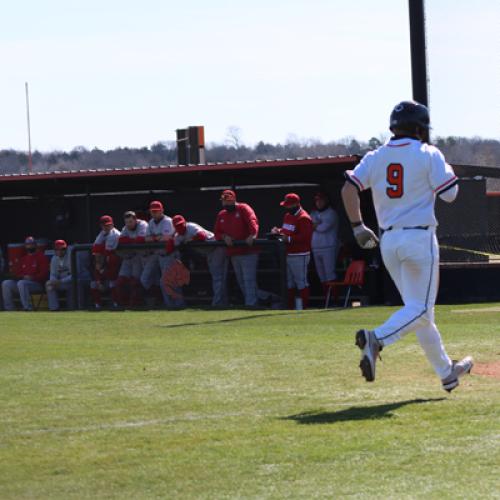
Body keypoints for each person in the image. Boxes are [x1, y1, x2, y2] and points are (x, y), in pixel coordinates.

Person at [341, 100, 473, 392]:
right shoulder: (428, 153)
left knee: (418, 313)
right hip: (419, 238)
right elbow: (451, 194)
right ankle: (376, 339)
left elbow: (348, 188)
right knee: (421, 311)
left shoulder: (375, 156)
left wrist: (357, 226)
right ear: (420, 128)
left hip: (388, 240)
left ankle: (447, 373)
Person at [170, 214, 228, 306]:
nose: (180, 227)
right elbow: (170, 247)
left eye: (181, 224)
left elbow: (202, 236)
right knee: (218, 278)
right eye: (177, 226)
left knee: (218, 277)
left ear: (185, 223)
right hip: (208, 253)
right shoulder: (177, 236)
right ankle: (223, 303)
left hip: (216, 247)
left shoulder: (191, 227)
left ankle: (218, 303)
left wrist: (190, 240)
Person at [214, 190, 259, 307]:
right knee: (242, 282)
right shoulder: (221, 214)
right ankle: (262, 300)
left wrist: (253, 234)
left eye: (228, 200)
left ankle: (251, 305)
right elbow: (217, 232)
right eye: (224, 201)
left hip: (248, 251)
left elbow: (253, 221)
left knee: (249, 281)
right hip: (234, 252)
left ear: (234, 199)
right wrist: (224, 236)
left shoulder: (243, 208)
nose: (226, 203)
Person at [271, 193, 313, 309]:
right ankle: (290, 307)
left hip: (300, 254)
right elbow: (286, 230)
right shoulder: (287, 216)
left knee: (301, 282)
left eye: (288, 205)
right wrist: (278, 231)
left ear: (296, 204)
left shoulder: (304, 217)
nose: (286, 207)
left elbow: (305, 237)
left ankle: (303, 308)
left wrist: (288, 238)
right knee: (289, 282)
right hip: (288, 253)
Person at [141, 200, 177, 307]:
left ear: (162, 211)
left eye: (157, 211)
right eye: (153, 211)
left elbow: (166, 238)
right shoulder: (151, 222)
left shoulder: (168, 221)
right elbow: (146, 239)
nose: (155, 213)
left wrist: (154, 238)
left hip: (169, 255)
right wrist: (157, 237)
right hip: (156, 254)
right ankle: (158, 300)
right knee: (144, 279)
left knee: (166, 282)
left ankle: (172, 306)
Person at [2, 236, 49, 311]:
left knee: (22, 283)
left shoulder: (41, 257)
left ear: (35, 245)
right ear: (25, 246)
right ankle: (9, 309)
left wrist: (32, 277)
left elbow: (44, 274)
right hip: (23, 283)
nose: (29, 246)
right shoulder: (23, 258)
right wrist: (22, 276)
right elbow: (17, 273)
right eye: (27, 244)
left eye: (31, 244)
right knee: (6, 283)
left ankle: (27, 308)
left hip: (37, 284)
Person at [116, 211, 148, 307]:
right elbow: (121, 240)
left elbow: (140, 240)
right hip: (129, 257)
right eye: (127, 222)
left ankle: (135, 304)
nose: (129, 224)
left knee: (136, 282)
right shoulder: (125, 228)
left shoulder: (142, 224)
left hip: (142, 257)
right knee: (120, 281)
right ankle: (123, 305)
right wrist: (133, 241)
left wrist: (129, 241)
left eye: (130, 222)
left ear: (135, 219)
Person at [90, 215, 121, 310]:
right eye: (104, 225)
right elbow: (95, 250)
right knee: (94, 283)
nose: (106, 227)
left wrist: (101, 266)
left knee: (112, 282)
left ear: (112, 224)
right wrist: (98, 266)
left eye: (108, 225)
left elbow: (107, 252)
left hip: (118, 261)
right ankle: (97, 305)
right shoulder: (102, 234)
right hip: (105, 261)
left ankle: (116, 304)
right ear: (101, 226)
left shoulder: (115, 234)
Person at [310, 192, 340, 289]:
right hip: (315, 247)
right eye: (317, 200)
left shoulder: (331, 213)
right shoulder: (313, 213)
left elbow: (323, 228)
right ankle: (327, 299)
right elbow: (308, 226)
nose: (318, 203)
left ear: (326, 200)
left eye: (321, 200)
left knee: (329, 274)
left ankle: (334, 301)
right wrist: (315, 224)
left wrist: (314, 225)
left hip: (329, 247)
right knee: (321, 276)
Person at [46, 239, 73, 311]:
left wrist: (60, 281)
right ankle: (54, 309)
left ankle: (72, 308)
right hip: (60, 282)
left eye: (63, 249)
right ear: (55, 250)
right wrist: (54, 281)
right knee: (49, 284)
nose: (60, 251)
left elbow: (74, 276)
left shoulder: (71, 256)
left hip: (72, 282)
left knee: (73, 286)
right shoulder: (54, 259)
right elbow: (53, 274)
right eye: (58, 249)